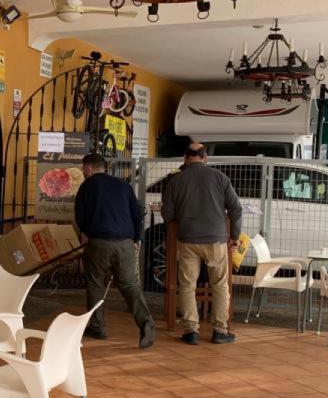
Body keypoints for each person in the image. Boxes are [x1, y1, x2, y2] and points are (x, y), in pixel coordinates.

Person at [162, 142, 242, 345]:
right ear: (205, 158)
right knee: (220, 285)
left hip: (188, 239)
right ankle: (220, 330)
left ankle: (191, 331)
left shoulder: (175, 181)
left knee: (187, 285)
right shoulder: (219, 177)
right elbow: (236, 208)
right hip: (216, 240)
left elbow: (168, 214)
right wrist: (234, 235)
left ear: (185, 158)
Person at [74, 153, 156, 348]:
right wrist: (136, 238)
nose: (83, 172)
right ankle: (146, 323)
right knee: (129, 284)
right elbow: (137, 214)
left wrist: (86, 232)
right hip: (125, 243)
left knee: (95, 284)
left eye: (83, 168)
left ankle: (98, 326)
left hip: (98, 243)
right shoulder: (124, 186)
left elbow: (80, 215)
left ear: (89, 169)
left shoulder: (86, 187)